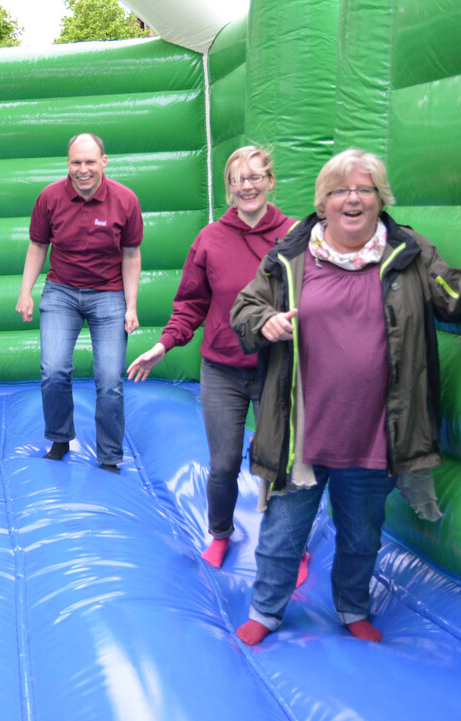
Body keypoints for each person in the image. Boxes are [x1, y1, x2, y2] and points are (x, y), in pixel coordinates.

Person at [229, 149, 461, 646]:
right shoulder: (291, 256)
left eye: (365, 189)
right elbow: (246, 306)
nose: (352, 198)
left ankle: (352, 606)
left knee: (362, 535)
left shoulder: (410, 254)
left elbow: (457, 296)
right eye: (339, 190)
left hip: (376, 433)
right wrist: (263, 321)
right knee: (282, 535)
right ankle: (266, 611)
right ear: (323, 201)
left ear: (381, 199)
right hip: (302, 433)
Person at [127, 146, 297, 568]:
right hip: (222, 368)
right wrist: (164, 344)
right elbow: (190, 303)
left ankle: (290, 546)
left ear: (271, 182)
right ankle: (221, 532)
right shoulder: (211, 239)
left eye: (256, 177)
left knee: (280, 465)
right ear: (229, 189)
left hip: (276, 368)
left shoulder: (296, 237)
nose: (247, 187)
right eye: (238, 180)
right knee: (223, 465)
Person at [16, 133, 143, 473]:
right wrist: (26, 291)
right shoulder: (50, 198)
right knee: (54, 370)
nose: (83, 170)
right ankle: (60, 438)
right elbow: (38, 246)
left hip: (109, 294)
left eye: (90, 162)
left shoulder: (125, 200)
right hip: (62, 292)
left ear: (104, 161)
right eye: (76, 162)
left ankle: (109, 456)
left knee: (110, 380)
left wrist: (130, 306)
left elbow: (131, 255)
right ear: (67, 164)